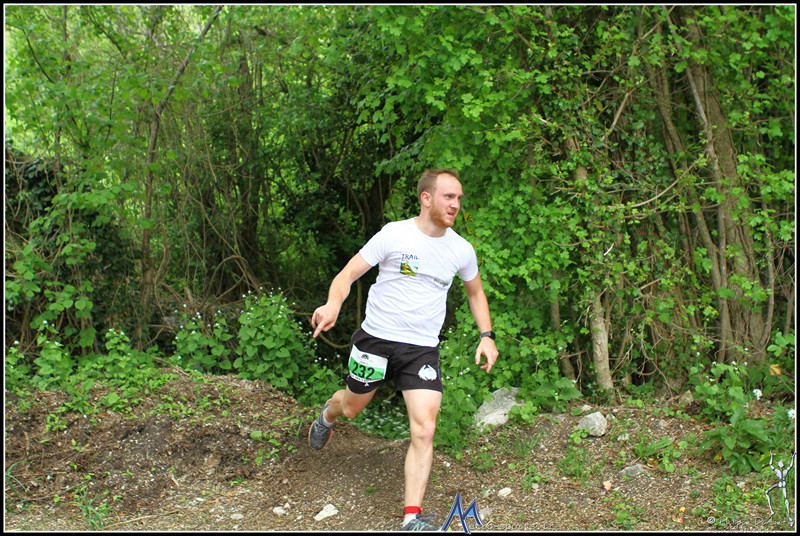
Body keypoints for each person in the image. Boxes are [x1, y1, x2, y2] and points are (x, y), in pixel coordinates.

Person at [308, 168, 499, 531]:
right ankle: (328, 414)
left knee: (425, 429)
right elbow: (348, 274)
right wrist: (333, 304)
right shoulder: (394, 234)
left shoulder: (461, 249)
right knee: (351, 408)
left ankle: (411, 517)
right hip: (376, 339)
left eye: (458, 198)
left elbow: (475, 293)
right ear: (426, 198)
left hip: (421, 349)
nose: (455, 204)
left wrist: (486, 335)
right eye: (448, 196)